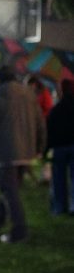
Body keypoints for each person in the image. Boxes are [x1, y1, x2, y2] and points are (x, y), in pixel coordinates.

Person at [0, 65, 47, 243]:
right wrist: (40, 146)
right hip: (26, 152)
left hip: (4, 152)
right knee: (10, 191)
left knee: (9, 192)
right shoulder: (29, 95)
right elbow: (40, 123)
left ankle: (19, 231)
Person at [46, 79, 74, 215]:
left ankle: (59, 206)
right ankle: (72, 206)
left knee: (58, 179)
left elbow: (49, 131)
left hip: (59, 147)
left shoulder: (55, 110)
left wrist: (46, 149)